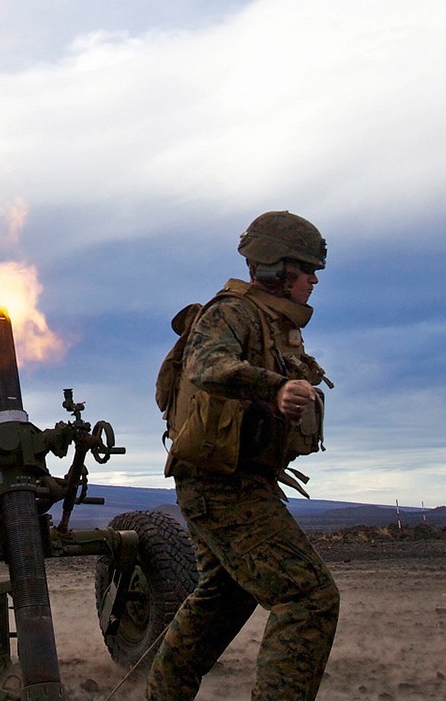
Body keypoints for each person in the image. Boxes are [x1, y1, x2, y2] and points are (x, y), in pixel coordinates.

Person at [147, 210, 338, 701]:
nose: (315, 279)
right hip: (221, 487)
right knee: (307, 596)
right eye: (307, 268)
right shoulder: (231, 312)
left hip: (232, 484)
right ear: (278, 267)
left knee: (225, 597)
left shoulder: (271, 322)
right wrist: (274, 389)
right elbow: (208, 366)